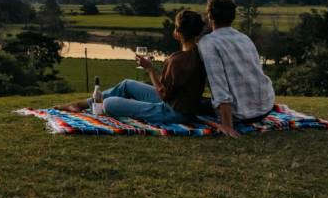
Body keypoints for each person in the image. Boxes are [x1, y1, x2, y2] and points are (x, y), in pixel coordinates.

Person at [54, 10, 211, 124]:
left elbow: (164, 94)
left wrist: (150, 70)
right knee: (127, 84)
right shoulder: (200, 54)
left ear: (177, 33)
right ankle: (82, 104)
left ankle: (86, 104)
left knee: (108, 104)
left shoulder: (177, 60)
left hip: (173, 112)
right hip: (180, 104)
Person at [197, 0, 275, 138]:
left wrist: (227, 125)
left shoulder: (209, 42)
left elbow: (219, 86)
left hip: (242, 114)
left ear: (210, 16)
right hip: (265, 106)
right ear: (232, 16)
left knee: (187, 105)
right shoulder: (244, 38)